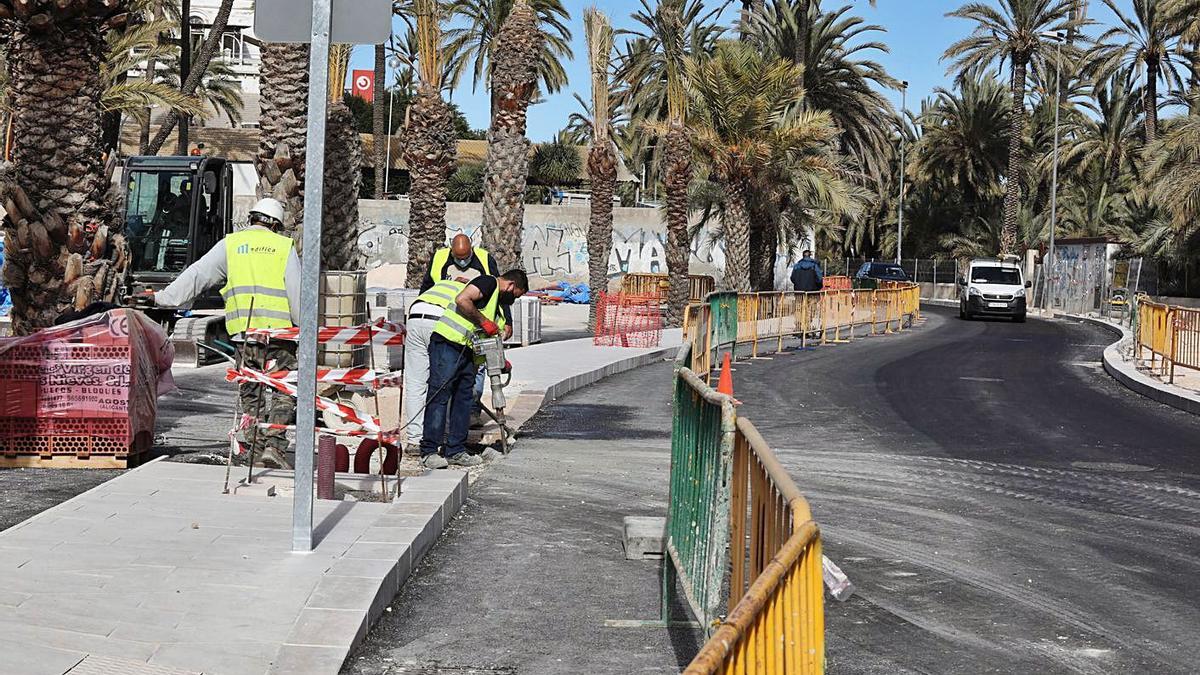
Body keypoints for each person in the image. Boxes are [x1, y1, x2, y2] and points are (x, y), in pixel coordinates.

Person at [151, 198, 300, 469]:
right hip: (280, 336)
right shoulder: (283, 247)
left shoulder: (231, 245)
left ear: (252, 218)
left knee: (251, 392)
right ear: (276, 225)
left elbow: (198, 274)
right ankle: (274, 447)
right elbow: (297, 294)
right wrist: (305, 330)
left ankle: (253, 449)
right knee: (282, 390)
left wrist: (165, 298)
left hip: (245, 336)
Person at [405, 235, 510, 448]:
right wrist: (499, 359)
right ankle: (443, 437)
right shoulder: (480, 292)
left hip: (417, 314)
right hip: (441, 321)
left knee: (417, 383)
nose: (462, 262)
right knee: (446, 383)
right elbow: (490, 326)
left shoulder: (482, 261)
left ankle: (415, 440)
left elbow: (424, 292)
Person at [420, 270, 528, 469]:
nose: (513, 300)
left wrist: (500, 361)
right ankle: (429, 451)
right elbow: (462, 300)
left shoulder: (497, 305)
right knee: (440, 396)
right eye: (515, 295)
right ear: (511, 285)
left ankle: (455, 450)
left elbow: (490, 337)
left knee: (464, 400)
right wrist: (484, 322)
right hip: (448, 344)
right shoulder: (488, 283)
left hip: (468, 354)